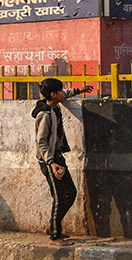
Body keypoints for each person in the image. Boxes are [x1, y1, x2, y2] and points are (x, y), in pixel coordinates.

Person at [32, 78, 93, 246]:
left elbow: (64, 95)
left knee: (70, 193)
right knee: (59, 197)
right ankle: (54, 236)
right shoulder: (45, 114)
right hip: (49, 161)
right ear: (53, 94)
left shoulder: (53, 104)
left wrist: (79, 91)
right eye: (60, 90)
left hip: (57, 157)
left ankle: (53, 226)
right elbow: (41, 141)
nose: (63, 93)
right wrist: (51, 163)